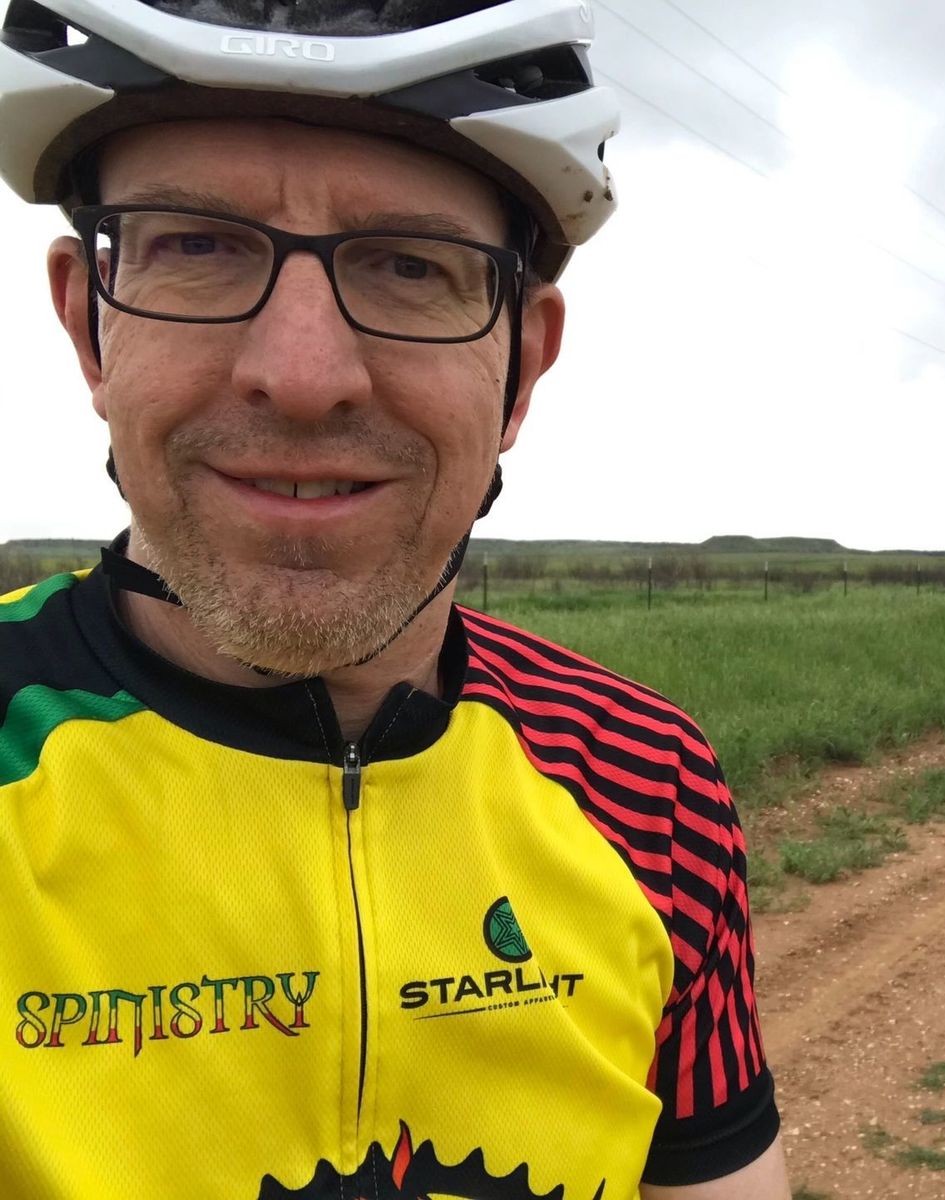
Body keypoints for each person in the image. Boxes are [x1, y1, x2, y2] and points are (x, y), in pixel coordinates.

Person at [0, 0, 788, 1195]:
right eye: (199, 247)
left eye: (411, 264)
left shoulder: (649, 778)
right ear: (88, 330)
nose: (302, 375)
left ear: (522, 367)